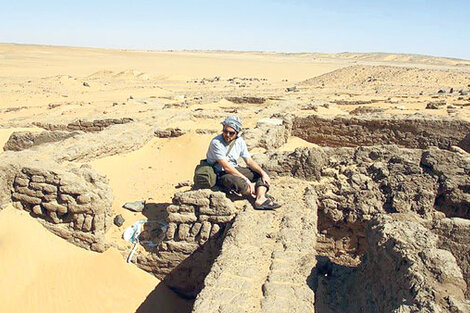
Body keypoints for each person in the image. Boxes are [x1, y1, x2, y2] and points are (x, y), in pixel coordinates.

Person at [206, 116, 281, 210]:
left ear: (237, 133)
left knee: (262, 172)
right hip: (220, 173)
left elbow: (249, 161)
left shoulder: (239, 141)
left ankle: (260, 198)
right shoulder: (216, 143)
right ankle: (258, 191)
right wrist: (246, 180)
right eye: (225, 131)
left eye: (231, 133)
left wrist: (263, 173)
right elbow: (226, 167)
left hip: (234, 168)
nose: (227, 135)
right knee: (236, 181)